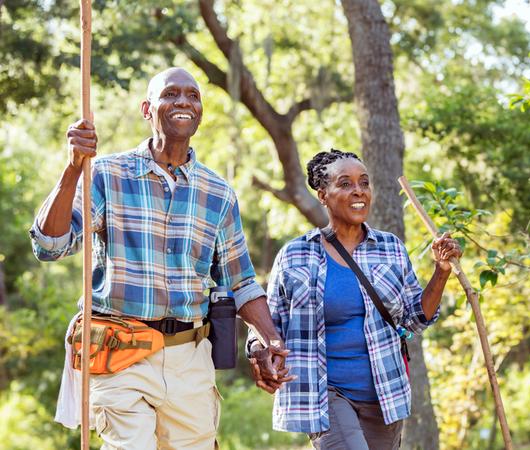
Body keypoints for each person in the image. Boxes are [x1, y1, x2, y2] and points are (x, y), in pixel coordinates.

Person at [30, 67, 291, 450]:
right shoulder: (106, 174)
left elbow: (242, 282)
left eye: (192, 95)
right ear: (147, 109)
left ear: (200, 111)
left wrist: (269, 340)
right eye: (171, 94)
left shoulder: (218, 193)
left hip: (191, 358)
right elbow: (50, 245)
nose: (183, 101)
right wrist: (73, 168)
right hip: (121, 352)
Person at [245, 149, 463, 449]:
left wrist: (441, 271)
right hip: (324, 395)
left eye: (364, 182)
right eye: (345, 183)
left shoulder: (390, 248)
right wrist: (259, 351)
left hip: (384, 395)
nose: (358, 190)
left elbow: (414, 319)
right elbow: (266, 323)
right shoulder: (296, 254)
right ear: (323, 195)